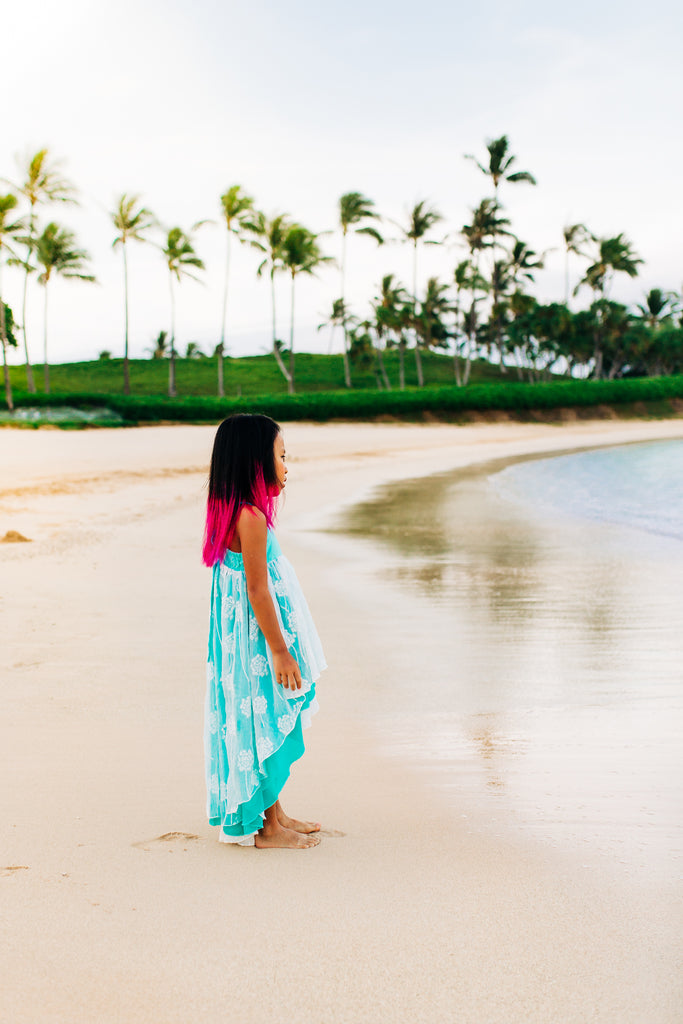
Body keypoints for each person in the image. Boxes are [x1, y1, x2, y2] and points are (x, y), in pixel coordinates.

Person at [202, 414, 326, 849]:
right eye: (281, 456)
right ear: (255, 462)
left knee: (263, 719)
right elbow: (256, 589)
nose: (287, 466)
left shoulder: (235, 511)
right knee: (263, 719)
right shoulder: (250, 517)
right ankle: (267, 830)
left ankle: (275, 812)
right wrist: (280, 650)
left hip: (246, 640)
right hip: (258, 642)